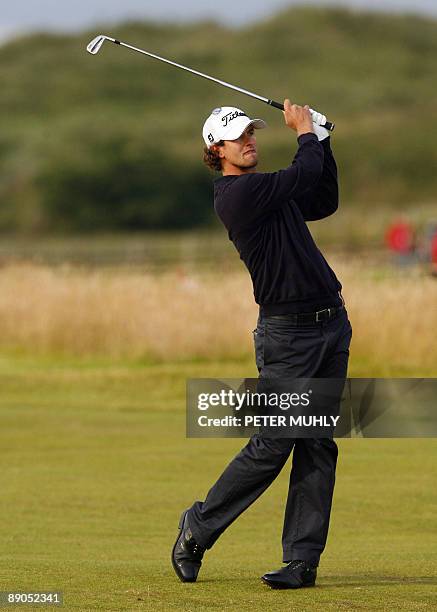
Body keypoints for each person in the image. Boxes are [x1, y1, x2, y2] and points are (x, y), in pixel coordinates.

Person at [171, 101, 353, 589]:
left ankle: (301, 561)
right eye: (238, 136)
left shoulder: (271, 190)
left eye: (252, 132)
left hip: (331, 324)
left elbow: (323, 198)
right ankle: (199, 527)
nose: (249, 140)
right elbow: (300, 173)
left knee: (317, 443)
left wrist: (324, 141)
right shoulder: (237, 194)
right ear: (217, 149)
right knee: (274, 443)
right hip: (287, 337)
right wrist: (307, 133)